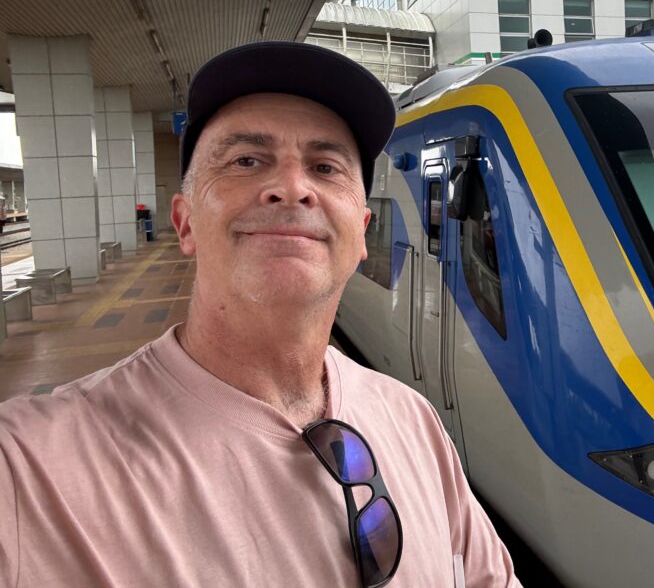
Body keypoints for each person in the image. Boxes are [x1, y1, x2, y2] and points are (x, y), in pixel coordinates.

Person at [0, 42, 521, 587]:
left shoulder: (415, 423)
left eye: (325, 166)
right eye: (246, 160)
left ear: (363, 230)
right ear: (185, 224)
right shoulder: (31, 470)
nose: (293, 188)